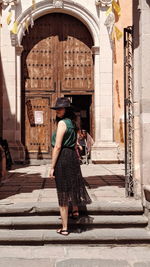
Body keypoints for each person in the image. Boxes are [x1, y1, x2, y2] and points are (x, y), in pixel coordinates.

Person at [49, 97, 92, 236]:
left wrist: (52, 166)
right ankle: (75, 211)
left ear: (66, 110)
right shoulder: (73, 123)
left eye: (60, 109)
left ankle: (65, 227)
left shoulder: (62, 123)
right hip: (72, 157)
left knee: (62, 191)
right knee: (73, 184)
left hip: (63, 157)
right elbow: (74, 143)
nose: (57, 111)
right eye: (56, 109)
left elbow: (58, 146)